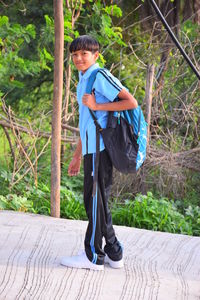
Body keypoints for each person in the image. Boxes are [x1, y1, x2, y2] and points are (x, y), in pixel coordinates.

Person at [61, 35, 138, 271]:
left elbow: (130, 102)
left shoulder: (99, 76)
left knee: (94, 200)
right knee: (98, 201)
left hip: (101, 149)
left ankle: (93, 256)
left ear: (96, 55)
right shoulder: (83, 79)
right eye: (74, 54)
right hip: (91, 148)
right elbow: (87, 121)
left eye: (84, 53)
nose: (78, 58)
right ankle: (114, 252)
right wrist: (77, 155)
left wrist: (98, 105)